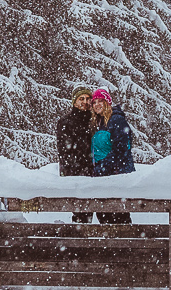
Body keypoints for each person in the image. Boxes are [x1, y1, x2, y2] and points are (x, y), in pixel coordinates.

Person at [89, 88, 135, 225]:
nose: (97, 104)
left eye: (100, 101)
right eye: (94, 102)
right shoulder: (100, 122)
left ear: (107, 102)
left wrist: (104, 166)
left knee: (118, 216)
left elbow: (122, 150)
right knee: (104, 215)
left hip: (116, 175)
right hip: (103, 177)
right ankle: (111, 245)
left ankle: (126, 244)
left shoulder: (116, 120)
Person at [56, 89, 96, 223]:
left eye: (87, 98)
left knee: (103, 210)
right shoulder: (65, 122)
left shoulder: (94, 120)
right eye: (81, 99)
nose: (85, 102)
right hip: (75, 174)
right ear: (74, 101)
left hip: (94, 173)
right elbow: (64, 151)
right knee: (80, 214)